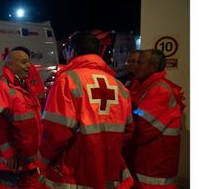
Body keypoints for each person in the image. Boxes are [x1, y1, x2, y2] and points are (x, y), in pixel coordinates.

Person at [39, 32, 134, 189]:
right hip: (108, 170)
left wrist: (43, 160)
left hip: (75, 171)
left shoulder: (67, 81)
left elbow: (56, 132)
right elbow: (128, 130)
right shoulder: (119, 86)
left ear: (73, 51)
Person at [126, 49, 184, 189]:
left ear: (154, 66)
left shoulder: (160, 90)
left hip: (154, 170)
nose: (135, 65)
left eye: (140, 62)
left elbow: (142, 128)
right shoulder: (146, 86)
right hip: (146, 166)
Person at [0, 49, 42, 189]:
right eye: (24, 62)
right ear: (10, 65)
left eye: (29, 62)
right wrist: (9, 153)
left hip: (27, 160)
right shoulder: (1, 88)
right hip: (11, 164)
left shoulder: (24, 86)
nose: (29, 65)